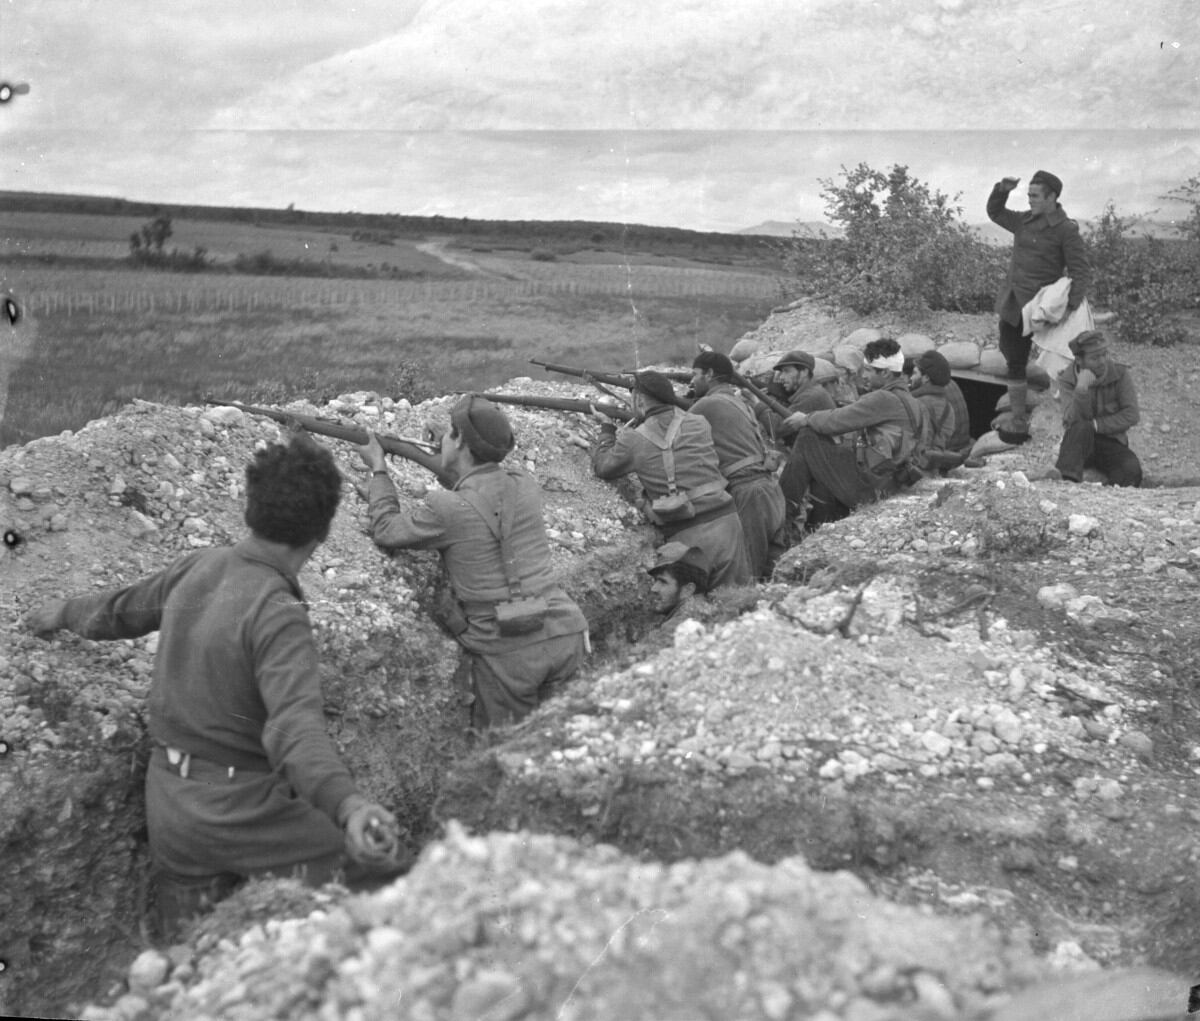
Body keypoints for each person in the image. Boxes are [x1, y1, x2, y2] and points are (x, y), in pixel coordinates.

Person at [25, 434, 401, 938]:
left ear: (250, 506)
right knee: (390, 876)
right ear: (322, 532)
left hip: (172, 809)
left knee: (187, 956)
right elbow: (293, 730)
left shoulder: (197, 567)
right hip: (240, 811)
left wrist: (60, 613)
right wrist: (348, 804)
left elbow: (118, 611)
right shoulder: (278, 611)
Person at [356, 395, 588, 730]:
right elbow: (483, 490)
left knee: (506, 755)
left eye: (450, 433)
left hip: (509, 651)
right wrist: (452, 456)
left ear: (461, 442)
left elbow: (386, 529)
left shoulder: (444, 507)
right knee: (567, 744)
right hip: (566, 631)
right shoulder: (524, 484)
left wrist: (378, 468)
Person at [591, 370, 752, 589]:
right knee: (735, 604)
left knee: (691, 612)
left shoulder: (634, 439)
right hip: (728, 524)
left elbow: (603, 467)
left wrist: (607, 430)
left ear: (638, 399)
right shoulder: (699, 422)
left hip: (690, 535)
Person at [779, 338, 929, 529]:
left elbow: (836, 421)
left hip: (874, 487)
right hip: (892, 481)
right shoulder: (914, 402)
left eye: (868, 370)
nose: (863, 375)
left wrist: (806, 418)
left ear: (884, 373)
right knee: (828, 454)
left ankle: (784, 514)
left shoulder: (883, 398)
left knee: (808, 437)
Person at [988, 169, 1091, 444]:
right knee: (1015, 360)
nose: (1030, 200)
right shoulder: (1023, 221)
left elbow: (1080, 271)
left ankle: (1071, 417)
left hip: (1044, 308)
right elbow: (995, 213)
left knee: (1062, 360)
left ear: (1052, 197)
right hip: (1014, 305)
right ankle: (1019, 417)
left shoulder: (1065, 229)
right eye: (1029, 195)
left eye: (1035, 196)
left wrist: (1069, 307)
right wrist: (1002, 190)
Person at [688, 351, 787, 579]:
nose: (692, 381)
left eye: (695, 374)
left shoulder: (708, 403)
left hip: (749, 492)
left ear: (710, 374)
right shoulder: (741, 402)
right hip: (770, 489)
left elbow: (674, 428)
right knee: (775, 571)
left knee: (748, 571)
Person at [1048, 331, 1142, 486]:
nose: (1102, 361)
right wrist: (1081, 390)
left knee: (1131, 471)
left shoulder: (1119, 374)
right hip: (1079, 440)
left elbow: (1132, 415)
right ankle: (1066, 485)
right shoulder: (1067, 379)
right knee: (1081, 429)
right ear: (1079, 360)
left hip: (1111, 441)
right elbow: (1071, 420)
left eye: (1104, 354)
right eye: (1095, 358)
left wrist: (1097, 425)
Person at [754, 349, 837, 450]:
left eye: (786, 371)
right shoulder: (810, 392)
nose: (781, 377)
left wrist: (756, 402)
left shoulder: (811, 396)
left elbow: (777, 428)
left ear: (804, 372)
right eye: (781, 372)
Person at [911, 349, 970, 471]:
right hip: (941, 461)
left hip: (922, 467)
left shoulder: (919, 404)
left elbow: (920, 449)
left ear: (926, 377)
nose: (910, 378)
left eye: (914, 373)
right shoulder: (947, 405)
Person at [647, 541, 711, 625]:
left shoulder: (679, 627)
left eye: (663, 581)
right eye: (655, 581)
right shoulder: (703, 615)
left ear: (688, 590)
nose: (653, 588)